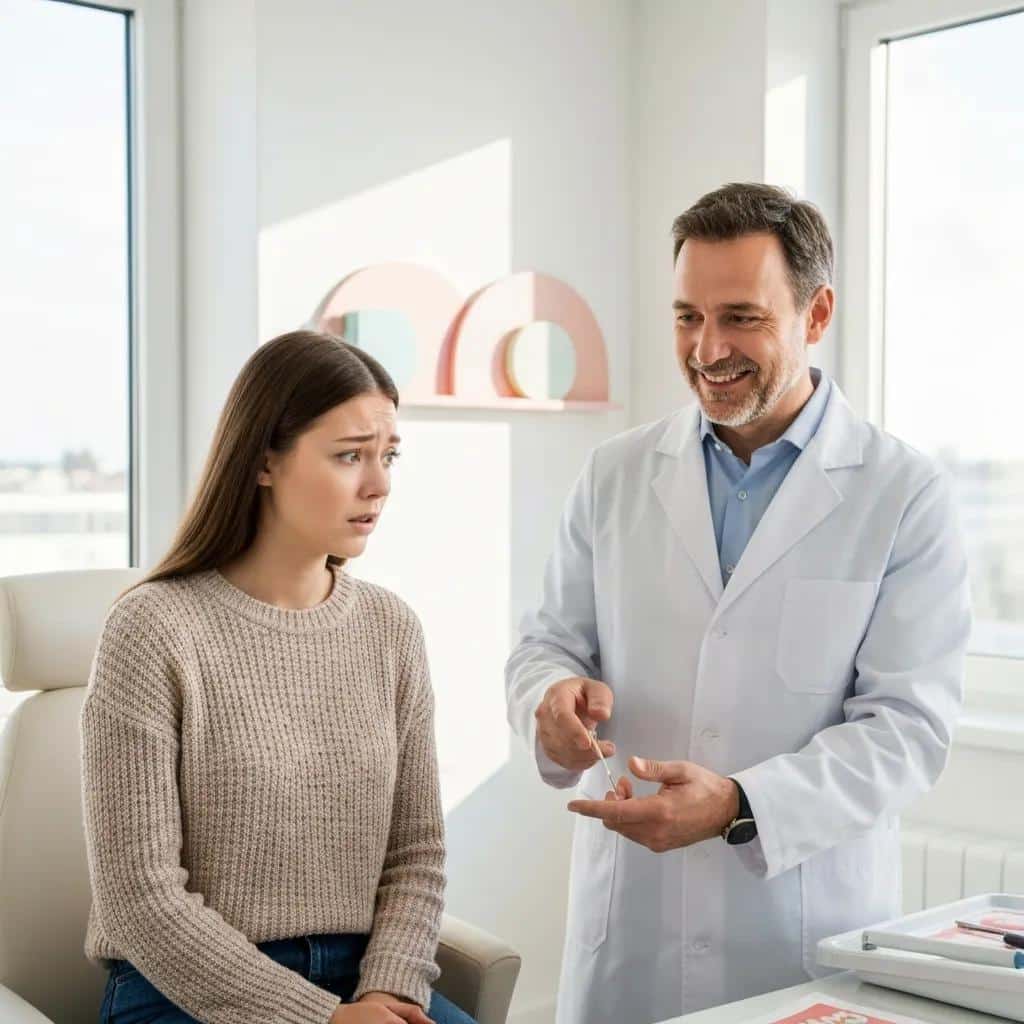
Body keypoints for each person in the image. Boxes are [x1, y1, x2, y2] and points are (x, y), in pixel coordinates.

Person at [505, 183, 971, 1024]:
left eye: (741, 317)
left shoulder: (902, 492)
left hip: (799, 928)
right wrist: (548, 696)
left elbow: (907, 729)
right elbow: (548, 641)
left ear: (816, 312)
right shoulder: (616, 473)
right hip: (632, 934)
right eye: (687, 316)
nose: (707, 348)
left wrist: (741, 806)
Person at [82, 330, 473, 1024]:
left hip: (362, 984)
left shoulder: (391, 630)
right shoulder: (152, 629)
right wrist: (319, 1018)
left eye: (388, 456)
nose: (378, 484)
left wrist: (386, 991)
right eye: (350, 456)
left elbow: (415, 854)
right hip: (179, 993)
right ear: (264, 461)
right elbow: (140, 900)